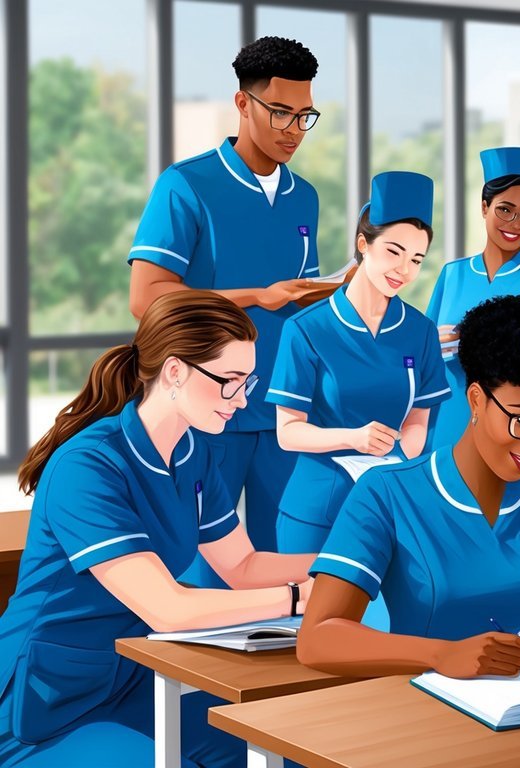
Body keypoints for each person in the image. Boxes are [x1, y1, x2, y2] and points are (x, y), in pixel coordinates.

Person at [0, 291, 315, 767]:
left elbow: (242, 565)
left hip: (135, 674)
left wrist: (348, 565)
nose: (243, 399)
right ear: (174, 372)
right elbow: (168, 608)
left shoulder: (195, 451)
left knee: (280, 748)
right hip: (47, 695)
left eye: (248, 382)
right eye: (230, 381)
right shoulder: (87, 466)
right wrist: (297, 598)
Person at [296, 294, 520, 678]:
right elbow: (317, 638)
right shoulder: (386, 493)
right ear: (477, 400)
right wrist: (441, 655)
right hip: (419, 698)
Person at [127, 36, 334, 586]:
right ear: (243, 104)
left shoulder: (303, 197)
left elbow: (296, 296)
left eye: (304, 116)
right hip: (205, 405)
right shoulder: (186, 185)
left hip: (283, 410)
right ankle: (193, 677)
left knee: (282, 565)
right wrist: (255, 296)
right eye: (281, 113)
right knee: (201, 565)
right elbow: (146, 297)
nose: (293, 130)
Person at [267, 171, 448, 555]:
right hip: (316, 513)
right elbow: (288, 432)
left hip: (388, 505)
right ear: (363, 244)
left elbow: (418, 421)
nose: (404, 270)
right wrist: (354, 439)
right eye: (393, 252)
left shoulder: (421, 331)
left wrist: (397, 457)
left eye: (416, 259)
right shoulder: (306, 329)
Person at [425, 147, 520, 448]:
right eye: (505, 209)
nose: (515, 223)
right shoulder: (453, 274)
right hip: (446, 416)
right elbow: (418, 351)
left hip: (508, 422)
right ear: (485, 207)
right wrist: (431, 342)